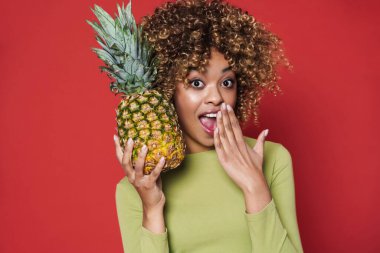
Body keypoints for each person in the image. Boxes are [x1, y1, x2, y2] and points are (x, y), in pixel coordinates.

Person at [113, 0, 303, 252]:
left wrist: (255, 186)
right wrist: (153, 209)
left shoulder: (272, 159)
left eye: (226, 82)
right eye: (196, 83)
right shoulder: (136, 187)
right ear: (168, 90)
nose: (216, 97)